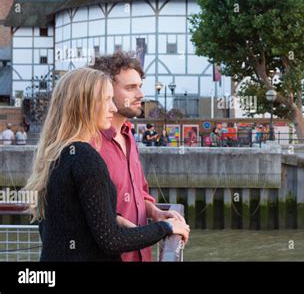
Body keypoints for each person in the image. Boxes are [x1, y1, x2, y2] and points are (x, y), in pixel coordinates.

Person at [23, 68, 189, 261]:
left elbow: (65, 217)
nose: (113, 108)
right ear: (84, 105)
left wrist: (113, 218)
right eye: (106, 100)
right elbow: (111, 241)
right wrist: (167, 227)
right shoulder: (86, 158)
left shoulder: (57, 153)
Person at [91, 52, 187, 261]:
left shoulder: (128, 135)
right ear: (104, 91)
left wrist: (156, 212)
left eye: (140, 85)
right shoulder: (89, 145)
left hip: (140, 254)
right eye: (130, 88)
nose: (141, 94)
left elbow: (138, 193)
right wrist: (163, 227)